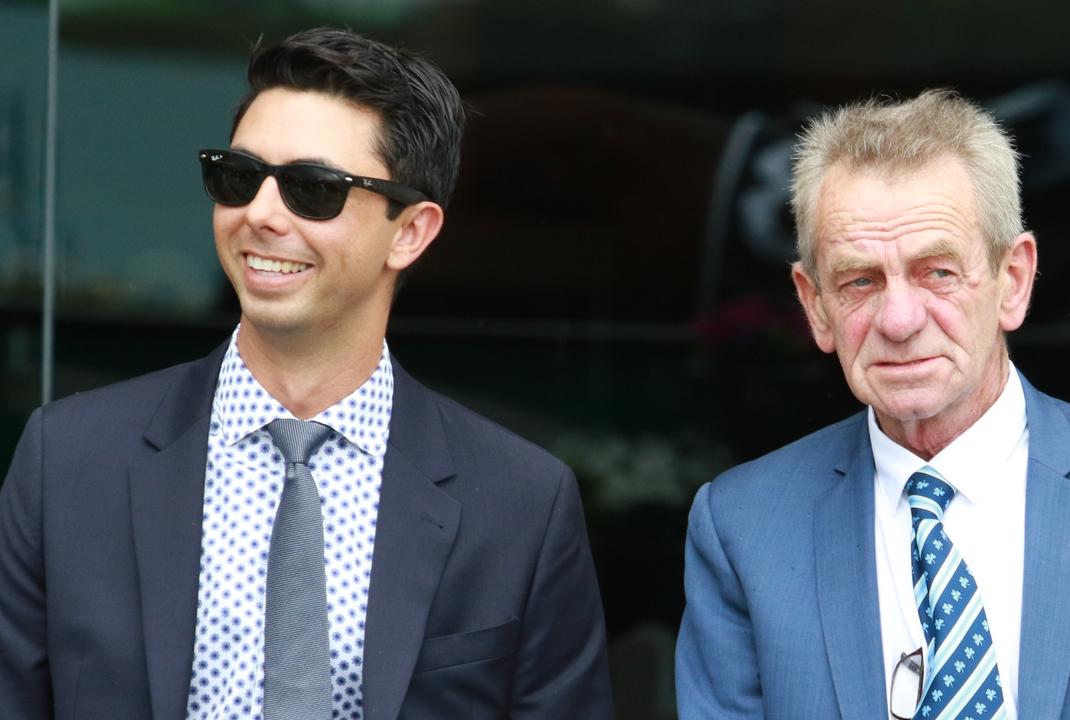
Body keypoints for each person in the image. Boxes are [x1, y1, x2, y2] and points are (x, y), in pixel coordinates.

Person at [0, 27, 612, 719]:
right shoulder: (68, 460)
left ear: (410, 231)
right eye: (238, 176)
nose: (260, 214)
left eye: (312, 189)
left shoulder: (522, 502)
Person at [675, 89, 1070, 719]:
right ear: (814, 305)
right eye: (860, 280)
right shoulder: (743, 530)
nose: (901, 320)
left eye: (938, 272)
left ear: (1013, 280)